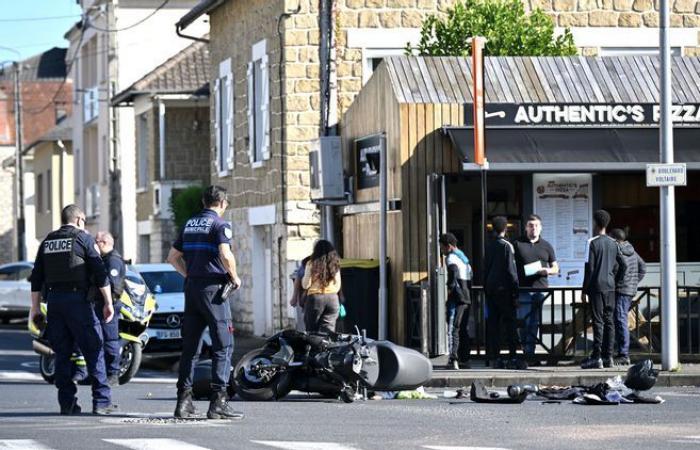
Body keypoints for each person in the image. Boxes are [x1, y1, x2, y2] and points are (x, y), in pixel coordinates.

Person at [28, 204, 116, 415]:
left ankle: (67, 404)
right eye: (84, 222)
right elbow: (101, 272)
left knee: (62, 354)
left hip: (55, 304)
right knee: (94, 350)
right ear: (78, 220)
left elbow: (37, 277)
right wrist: (108, 303)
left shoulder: (48, 241)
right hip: (79, 303)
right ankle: (102, 402)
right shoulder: (83, 239)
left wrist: (34, 308)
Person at [167, 185, 243, 420]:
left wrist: (188, 274)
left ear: (203, 202)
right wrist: (235, 277)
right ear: (222, 203)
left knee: (190, 348)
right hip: (214, 291)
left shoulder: (189, 224)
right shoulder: (220, 225)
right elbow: (225, 254)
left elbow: (172, 257)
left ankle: (183, 402)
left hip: (191, 290)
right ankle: (218, 402)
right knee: (223, 344)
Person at [581, 210, 626, 369]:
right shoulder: (614, 243)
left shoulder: (591, 242)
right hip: (610, 286)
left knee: (598, 321)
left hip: (597, 287)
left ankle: (596, 357)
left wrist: (584, 290)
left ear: (595, 223)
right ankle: (609, 357)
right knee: (609, 321)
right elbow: (623, 265)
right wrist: (615, 279)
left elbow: (589, 268)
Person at [513, 214, 558, 365]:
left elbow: (555, 267)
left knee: (534, 322)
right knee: (524, 323)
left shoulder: (546, 245)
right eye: (531, 225)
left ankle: (530, 354)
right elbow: (511, 267)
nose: (534, 228)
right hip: (523, 290)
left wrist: (548, 271)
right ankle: (527, 352)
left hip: (540, 290)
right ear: (526, 227)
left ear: (541, 227)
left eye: (537, 225)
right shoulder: (517, 244)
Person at [484, 217, 523, 369]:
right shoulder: (507, 246)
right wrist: (515, 294)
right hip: (505, 291)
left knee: (494, 325)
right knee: (510, 324)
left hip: (491, 290)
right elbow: (511, 272)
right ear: (505, 229)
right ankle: (513, 357)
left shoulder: (489, 246)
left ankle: (496, 357)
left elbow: (485, 268)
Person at [609, 228, 646, 366]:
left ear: (614, 239)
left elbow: (620, 268)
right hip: (629, 290)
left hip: (621, 290)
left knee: (620, 320)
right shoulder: (631, 250)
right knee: (620, 319)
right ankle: (621, 352)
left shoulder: (617, 250)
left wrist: (619, 282)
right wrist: (634, 282)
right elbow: (643, 267)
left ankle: (623, 354)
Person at [94, 231, 126, 386]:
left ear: (104, 243)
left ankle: (113, 373)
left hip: (109, 304)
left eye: (96, 241)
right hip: (102, 304)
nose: (94, 244)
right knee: (100, 339)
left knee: (110, 340)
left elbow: (112, 283)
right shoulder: (105, 259)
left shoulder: (113, 260)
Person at [438, 233, 472, 370]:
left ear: (449, 247)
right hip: (466, 296)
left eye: (442, 247)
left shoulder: (451, 258)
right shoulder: (463, 257)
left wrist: (450, 288)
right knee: (463, 329)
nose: (441, 250)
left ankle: (453, 359)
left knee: (453, 329)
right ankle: (465, 358)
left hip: (457, 297)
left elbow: (453, 272)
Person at [301, 240, 341, 333]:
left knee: (311, 332)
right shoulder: (335, 264)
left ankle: (314, 347)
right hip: (333, 299)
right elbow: (338, 286)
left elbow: (305, 285)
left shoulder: (311, 263)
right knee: (328, 332)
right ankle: (327, 347)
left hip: (315, 299)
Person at [289, 255, 311, 331]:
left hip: (311, 299)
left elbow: (304, 282)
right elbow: (299, 276)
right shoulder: (308, 263)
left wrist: (295, 297)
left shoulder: (309, 263)